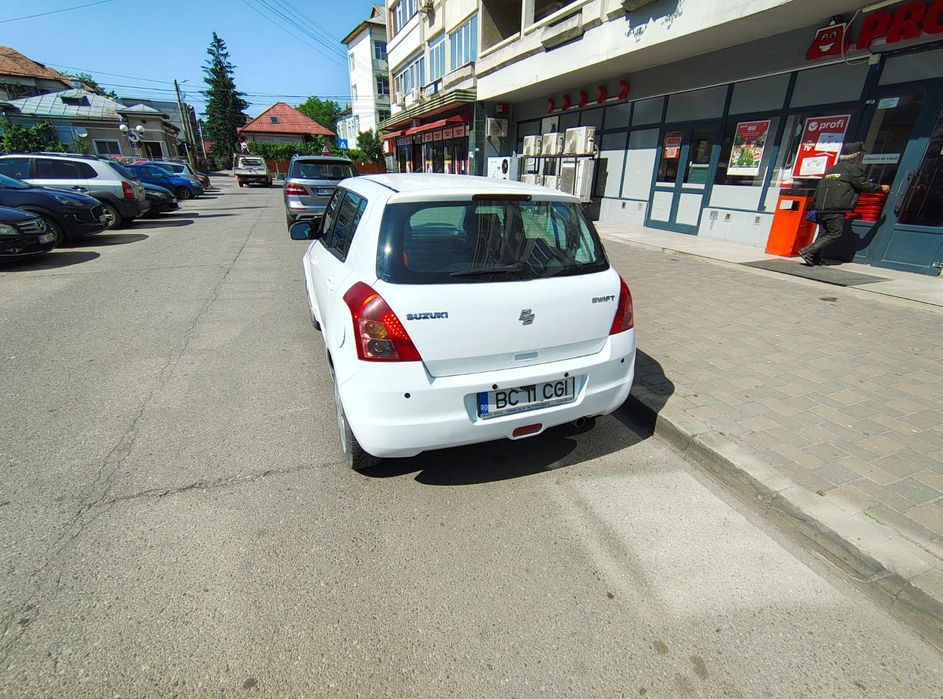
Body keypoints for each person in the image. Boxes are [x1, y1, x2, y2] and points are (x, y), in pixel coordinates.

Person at [799, 141, 890, 266]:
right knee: (835, 233)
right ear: (856, 156)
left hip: (821, 208)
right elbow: (863, 186)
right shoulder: (852, 169)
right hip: (835, 208)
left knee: (823, 233)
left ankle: (815, 258)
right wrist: (881, 188)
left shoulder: (831, 169)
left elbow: (818, 190)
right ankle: (808, 251)